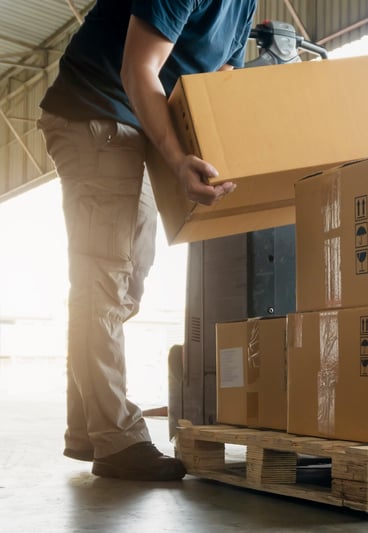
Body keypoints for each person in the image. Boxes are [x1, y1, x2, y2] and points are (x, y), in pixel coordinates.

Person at [37, 0, 256, 481]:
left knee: (127, 281)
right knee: (105, 279)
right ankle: (117, 441)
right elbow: (140, 68)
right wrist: (179, 161)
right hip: (95, 109)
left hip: (137, 125)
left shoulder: (245, 5)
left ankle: (88, 429)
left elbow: (216, 85)